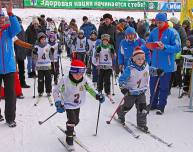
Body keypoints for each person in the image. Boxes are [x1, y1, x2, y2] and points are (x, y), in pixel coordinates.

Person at [53, 59, 105, 151]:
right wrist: (58, 102)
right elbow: (56, 91)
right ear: (72, 72)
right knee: (72, 120)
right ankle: (69, 140)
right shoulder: (65, 81)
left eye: (81, 74)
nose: (79, 76)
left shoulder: (84, 81)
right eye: (77, 73)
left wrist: (97, 96)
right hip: (67, 104)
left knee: (76, 121)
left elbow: (91, 89)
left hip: (77, 104)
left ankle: (70, 127)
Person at [117, 47, 163, 131]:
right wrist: (123, 88)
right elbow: (121, 79)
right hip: (131, 92)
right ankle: (120, 113)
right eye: (138, 59)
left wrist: (157, 71)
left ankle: (141, 124)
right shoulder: (130, 69)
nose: (141, 60)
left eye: (142, 58)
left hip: (141, 91)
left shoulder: (146, 66)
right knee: (127, 106)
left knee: (142, 109)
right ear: (134, 59)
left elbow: (151, 71)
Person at [142, 12, 181, 115]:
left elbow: (177, 48)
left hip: (166, 65)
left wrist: (165, 47)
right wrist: (140, 49)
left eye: (160, 22)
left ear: (165, 22)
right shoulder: (154, 31)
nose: (158, 24)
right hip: (154, 64)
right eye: (157, 22)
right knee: (153, 84)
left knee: (164, 87)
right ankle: (153, 104)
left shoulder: (172, 32)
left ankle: (161, 106)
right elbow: (147, 44)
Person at [0, 0, 21, 127]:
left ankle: (10, 118)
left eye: (2, 18)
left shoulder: (8, 31)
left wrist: (10, 13)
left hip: (9, 67)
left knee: (10, 94)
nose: (1, 20)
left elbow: (17, 29)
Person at [95, 34, 115, 99]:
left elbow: (113, 56)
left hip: (108, 66)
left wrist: (112, 53)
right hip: (101, 65)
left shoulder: (110, 47)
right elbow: (96, 56)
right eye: (104, 40)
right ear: (102, 41)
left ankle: (108, 91)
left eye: (106, 41)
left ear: (108, 41)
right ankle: (99, 90)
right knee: (100, 79)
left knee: (107, 79)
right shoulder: (99, 47)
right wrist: (97, 54)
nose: (105, 42)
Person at [33, 32, 52, 97]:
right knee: (40, 79)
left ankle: (48, 91)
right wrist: (34, 53)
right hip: (40, 66)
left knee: (48, 79)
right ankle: (40, 91)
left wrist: (52, 52)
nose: (43, 40)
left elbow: (50, 55)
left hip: (47, 66)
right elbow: (34, 57)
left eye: (44, 39)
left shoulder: (48, 46)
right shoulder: (36, 46)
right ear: (39, 39)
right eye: (41, 39)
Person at [14, 16, 30, 88]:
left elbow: (24, 39)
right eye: (19, 23)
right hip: (15, 53)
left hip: (21, 52)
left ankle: (22, 83)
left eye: (20, 23)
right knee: (14, 71)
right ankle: (15, 85)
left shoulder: (21, 28)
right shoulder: (13, 30)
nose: (20, 24)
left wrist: (26, 48)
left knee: (21, 69)